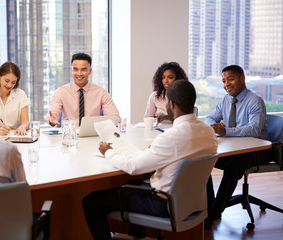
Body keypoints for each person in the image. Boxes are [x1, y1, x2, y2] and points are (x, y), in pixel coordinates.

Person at [82, 80, 218, 240]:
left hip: (163, 204)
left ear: (172, 104)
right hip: (191, 203)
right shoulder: (209, 133)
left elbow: (133, 167)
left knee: (91, 201)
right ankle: (136, 237)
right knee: (135, 184)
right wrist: (156, 152)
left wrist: (108, 152)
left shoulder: (171, 136)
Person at [204, 65, 269, 228]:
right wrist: (213, 125)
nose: (226, 84)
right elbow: (211, 116)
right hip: (236, 148)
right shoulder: (225, 100)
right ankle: (209, 207)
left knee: (233, 167)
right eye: (224, 81)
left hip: (259, 150)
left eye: (230, 79)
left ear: (242, 78)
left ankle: (214, 213)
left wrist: (225, 131)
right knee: (204, 161)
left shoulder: (255, 101)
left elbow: (254, 129)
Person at [45, 53, 120, 126]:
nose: (79, 73)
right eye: (75, 69)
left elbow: (114, 117)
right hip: (70, 135)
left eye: (83, 70)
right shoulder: (61, 92)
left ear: (89, 71)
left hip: (93, 135)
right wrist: (51, 120)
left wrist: (108, 123)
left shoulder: (101, 92)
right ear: (72, 70)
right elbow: (53, 113)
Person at [0, 62, 30, 136]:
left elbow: (26, 122)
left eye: (13, 82)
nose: (9, 85)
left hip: (14, 138)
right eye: (7, 81)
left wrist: (23, 127)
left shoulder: (20, 94)